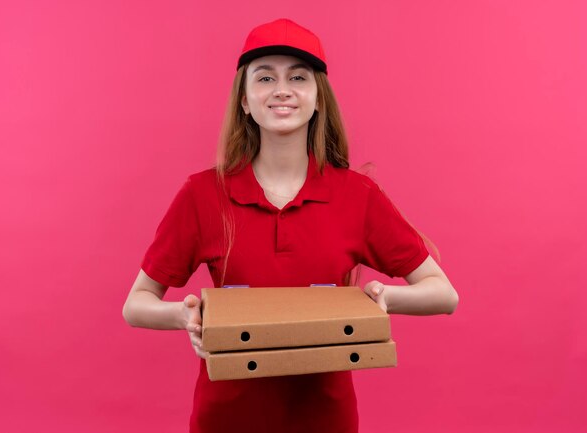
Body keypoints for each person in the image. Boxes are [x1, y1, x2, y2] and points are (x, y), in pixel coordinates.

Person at [122, 18, 458, 433]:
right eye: (265, 78)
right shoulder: (202, 195)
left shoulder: (358, 195)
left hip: (325, 419)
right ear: (244, 100)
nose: (282, 89)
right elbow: (135, 304)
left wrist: (381, 298)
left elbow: (444, 294)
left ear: (318, 98)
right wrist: (187, 318)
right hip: (226, 419)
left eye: (298, 77)